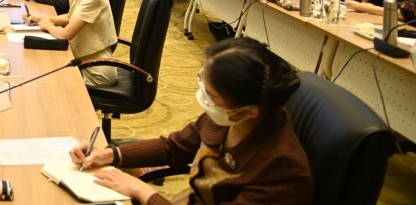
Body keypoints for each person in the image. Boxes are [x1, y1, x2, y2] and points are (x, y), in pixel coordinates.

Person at [71, 37, 312, 205]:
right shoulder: (229, 115)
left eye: (211, 95)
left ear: (249, 112)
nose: (204, 98)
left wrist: (142, 192)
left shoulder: (281, 172)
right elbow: (175, 147)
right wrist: (110, 155)